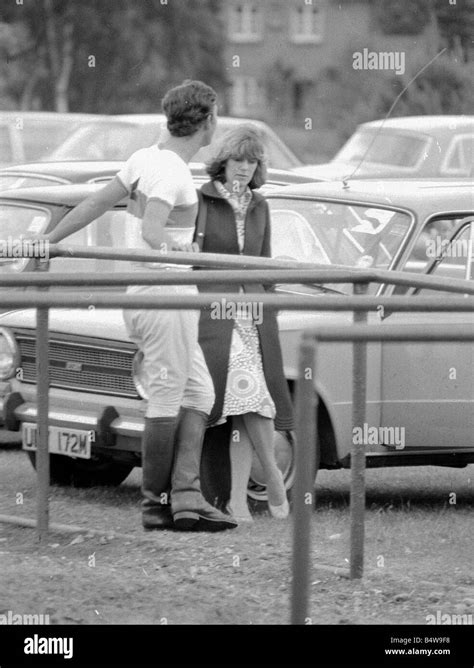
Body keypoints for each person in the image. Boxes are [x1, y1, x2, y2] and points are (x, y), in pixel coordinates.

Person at [46, 80, 237, 533]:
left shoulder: (144, 158)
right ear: (207, 120)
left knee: (200, 395)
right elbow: (153, 232)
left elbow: (96, 201)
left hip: (155, 295)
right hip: (163, 295)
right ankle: (157, 504)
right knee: (170, 395)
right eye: (217, 116)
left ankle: (187, 498)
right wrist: (179, 256)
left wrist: (50, 240)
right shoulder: (169, 171)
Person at [195, 125, 295, 521]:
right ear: (224, 162)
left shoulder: (261, 205)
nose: (243, 168)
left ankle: (238, 501)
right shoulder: (202, 199)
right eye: (237, 160)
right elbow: (192, 257)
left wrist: (270, 305)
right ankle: (271, 476)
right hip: (214, 313)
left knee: (245, 406)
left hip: (253, 315)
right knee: (250, 394)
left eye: (251, 161)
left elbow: (264, 263)